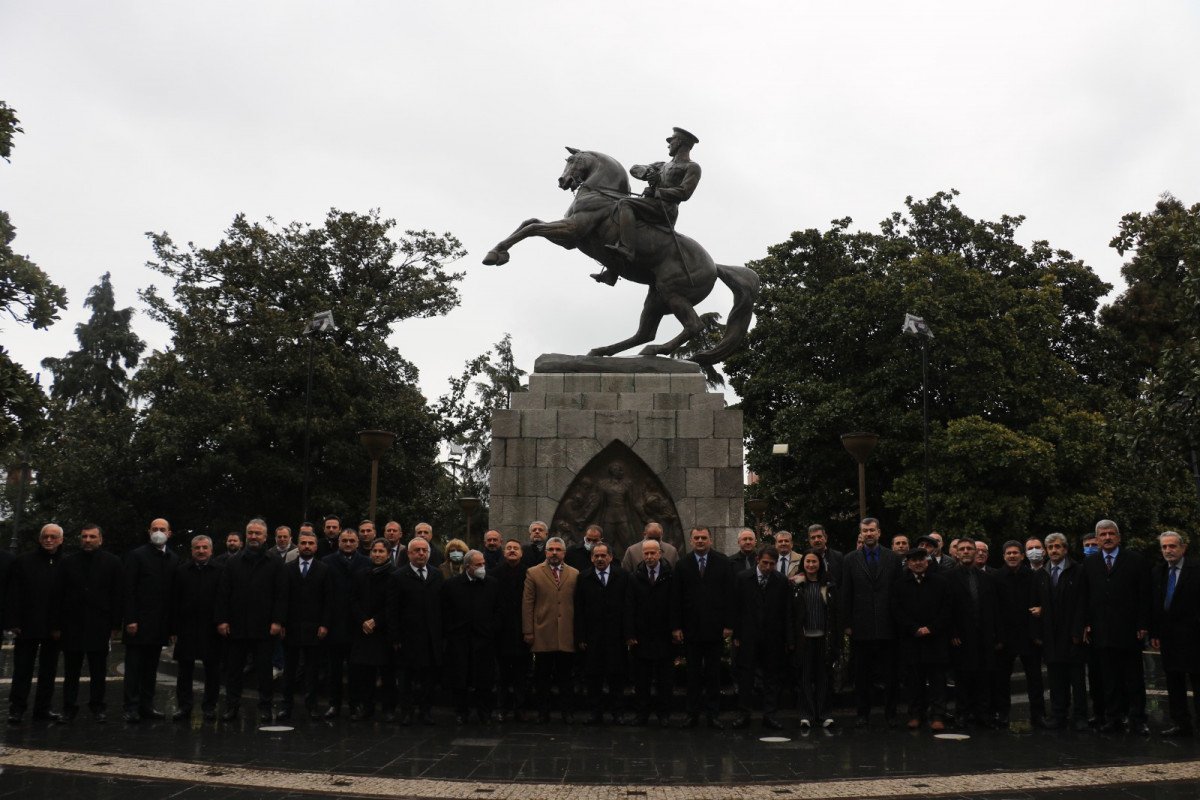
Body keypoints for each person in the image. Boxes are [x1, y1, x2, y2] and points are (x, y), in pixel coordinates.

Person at [601, 126, 702, 274]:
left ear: (679, 142)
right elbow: (634, 168)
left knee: (625, 203)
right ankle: (613, 272)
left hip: (666, 208)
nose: (668, 144)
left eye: (671, 141)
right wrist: (648, 173)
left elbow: (685, 192)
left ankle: (627, 249)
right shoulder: (662, 165)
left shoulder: (692, 167)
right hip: (651, 204)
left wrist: (657, 192)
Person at [1082, 519, 1151, 734]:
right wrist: (1086, 623)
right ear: (1097, 539)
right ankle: (1113, 717)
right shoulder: (1090, 563)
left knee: (1133, 677)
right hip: (1102, 630)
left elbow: (1144, 594)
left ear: (1119, 537)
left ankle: (1138, 719)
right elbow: (1085, 596)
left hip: (1129, 630)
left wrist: (1143, 623)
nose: (1107, 537)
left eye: (1111, 533)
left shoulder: (1135, 560)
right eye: (1103, 534)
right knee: (1109, 678)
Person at [215, 518, 285, 723]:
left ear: (265, 536)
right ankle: (232, 706)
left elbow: (281, 594)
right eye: (250, 533)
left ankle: (265, 707)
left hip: (265, 627)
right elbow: (223, 593)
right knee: (234, 671)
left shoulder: (275, 562)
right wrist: (222, 620)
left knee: (264, 671)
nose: (253, 536)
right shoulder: (233, 562)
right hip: (237, 626)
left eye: (258, 533)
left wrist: (278, 621)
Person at [56, 523, 123, 723]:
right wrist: (57, 624)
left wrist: (115, 625)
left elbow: (117, 595)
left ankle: (97, 707)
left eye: (92, 536)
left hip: (99, 624)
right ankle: (69, 708)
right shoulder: (68, 562)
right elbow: (58, 594)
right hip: (72, 624)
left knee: (98, 670)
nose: (87, 540)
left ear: (100, 539)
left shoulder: (113, 562)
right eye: (84, 536)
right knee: (71, 671)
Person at [839, 517, 901, 727]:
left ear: (879, 532)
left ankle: (891, 714)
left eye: (872, 530)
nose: (868, 534)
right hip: (861, 626)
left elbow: (898, 593)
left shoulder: (892, 558)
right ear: (861, 533)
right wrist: (847, 623)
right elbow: (846, 593)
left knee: (890, 675)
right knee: (862, 675)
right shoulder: (850, 559)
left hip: (888, 625)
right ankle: (862, 714)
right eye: (865, 531)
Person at [672, 525, 734, 729]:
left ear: (710, 540)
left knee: (713, 674)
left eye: (703, 538)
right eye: (696, 538)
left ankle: (713, 714)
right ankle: (692, 714)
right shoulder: (682, 565)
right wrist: (676, 627)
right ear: (691, 540)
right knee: (693, 674)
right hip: (691, 630)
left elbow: (729, 595)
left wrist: (728, 624)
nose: (700, 541)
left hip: (715, 629)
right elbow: (677, 598)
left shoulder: (723, 562)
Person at [6, 523, 65, 724]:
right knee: (22, 669)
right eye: (45, 536)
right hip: (27, 624)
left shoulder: (66, 563)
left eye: (53, 536)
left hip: (53, 626)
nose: (49, 540)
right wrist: (13, 621)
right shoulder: (23, 561)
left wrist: (61, 625)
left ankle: (43, 708)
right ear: (40, 539)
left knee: (49, 670)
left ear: (61, 540)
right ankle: (16, 709)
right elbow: (14, 593)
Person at [122, 517, 179, 723]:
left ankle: (147, 705)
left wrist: (172, 627)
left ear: (169, 533)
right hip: (138, 622)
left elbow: (173, 595)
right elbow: (128, 589)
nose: (158, 532)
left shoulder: (173, 558)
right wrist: (130, 618)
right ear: (149, 531)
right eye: (155, 528)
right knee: (134, 668)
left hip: (159, 624)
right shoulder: (136, 555)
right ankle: (131, 707)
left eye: (162, 529)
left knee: (150, 668)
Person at [730, 546, 790, 730]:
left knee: (771, 677)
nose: (768, 567)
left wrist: (787, 638)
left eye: (772, 564)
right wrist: (736, 634)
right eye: (765, 563)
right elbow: (736, 608)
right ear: (758, 560)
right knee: (746, 676)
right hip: (748, 635)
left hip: (772, 636)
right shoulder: (743, 578)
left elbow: (786, 611)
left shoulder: (780, 580)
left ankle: (769, 714)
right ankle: (744, 714)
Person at [892, 549, 952, 731]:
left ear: (927, 561)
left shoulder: (941, 582)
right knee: (913, 680)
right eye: (914, 560)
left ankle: (938, 715)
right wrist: (913, 628)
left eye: (921, 559)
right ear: (908, 563)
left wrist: (931, 628)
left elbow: (947, 609)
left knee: (937, 680)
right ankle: (915, 714)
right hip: (911, 639)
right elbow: (896, 610)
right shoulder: (899, 584)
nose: (918, 563)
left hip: (935, 639)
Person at [1033, 532, 1088, 730]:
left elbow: (1082, 603)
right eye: (1050, 547)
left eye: (1057, 546)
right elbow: (1039, 604)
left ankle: (1080, 716)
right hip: (1051, 635)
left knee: (1077, 679)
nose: (1054, 550)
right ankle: (1058, 714)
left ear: (1065, 549)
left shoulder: (1078, 571)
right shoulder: (1041, 574)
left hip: (1072, 634)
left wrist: (1078, 630)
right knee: (1055, 679)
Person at [522, 536, 579, 723]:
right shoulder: (533, 572)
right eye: (551, 550)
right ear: (546, 552)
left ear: (564, 553)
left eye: (558, 550)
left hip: (566, 633)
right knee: (542, 677)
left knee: (566, 677)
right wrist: (528, 631)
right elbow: (528, 603)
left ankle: (567, 712)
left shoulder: (575, 573)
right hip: (542, 632)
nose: (554, 553)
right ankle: (543, 712)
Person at [278, 530, 332, 721]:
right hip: (291, 627)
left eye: (310, 543)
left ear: (316, 547)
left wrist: (324, 624)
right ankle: (286, 706)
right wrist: (281, 622)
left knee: (312, 670)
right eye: (303, 543)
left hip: (314, 627)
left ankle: (312, 706)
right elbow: (282, 598)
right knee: (289, 670)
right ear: (298, 546)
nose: (307, 546)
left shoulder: (324, 569)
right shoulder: (287, 568)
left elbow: (328, 600)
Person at [441, 549, 500, 725]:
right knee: (460, 677)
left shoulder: (492, 584)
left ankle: (484, 712)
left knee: (484, 678)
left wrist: (491, 630)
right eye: (478, 565)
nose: (482, 567)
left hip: (484, 639)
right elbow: (445, 611)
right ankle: (461, 711)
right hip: (460, 639)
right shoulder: (451, 585)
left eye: (483, 564)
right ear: (468, 567)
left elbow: (498, 610)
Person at [389, 536, 444, 725]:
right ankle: (407, 712)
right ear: (409, 553)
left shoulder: (436, 574)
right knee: (406, 678)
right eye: (417, 550)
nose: (421, 554)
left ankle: (425, 711)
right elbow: (392, 609)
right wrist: (395, 637)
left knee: (429, 678)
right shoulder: (398, 576)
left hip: (431, 638)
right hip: (408, 637)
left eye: (424, 550)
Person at [573, 542, 630, 725]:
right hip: (592, 637)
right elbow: (579, 609)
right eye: (596, 556)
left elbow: (628, 606)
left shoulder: (622, 576)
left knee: (616, 676)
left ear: (610, 557)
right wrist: (581, 636)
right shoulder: (584, 577)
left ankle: (617, 712)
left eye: (603, 555)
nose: (599, 559)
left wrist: (628, 634)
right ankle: (595, 712)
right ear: (591, 558)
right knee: (593, 676)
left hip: (616, 636)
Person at [947, 539, 1001, 728]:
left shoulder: (987, 578)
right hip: (960, 637)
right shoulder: (948, 578)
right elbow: (946, 608)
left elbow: (994, 608)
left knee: (984, 677)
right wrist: (952, 632)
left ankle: (982, 713)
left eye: (969, 548)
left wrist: (996, 634)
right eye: (962, 549)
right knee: (962, 677)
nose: (966, 551)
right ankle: (962, 713)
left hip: (984, 636)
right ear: (956, 553)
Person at [1150, 531, 1200, 737]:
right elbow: (1155, 605)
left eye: (1172, 546)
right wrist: (1155, 632)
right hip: (1169, 637)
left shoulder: (1196, 569)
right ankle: (1181, 724)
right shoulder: (1158, 572)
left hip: (1194, 636)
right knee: (1174, 681)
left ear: (1183, 548)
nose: (1168, 550)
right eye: (1164, 547)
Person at [171, 534, 224, 722]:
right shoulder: (181, 571)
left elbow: (224, 599)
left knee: (213, 670)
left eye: (204, 547)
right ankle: (184, 706)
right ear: (192, 550)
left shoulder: (221, 571)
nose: (201, 551)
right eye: (197, 548)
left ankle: (209, 707)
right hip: (187, 627)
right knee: (184, 670)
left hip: (212, 628)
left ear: (211, 550)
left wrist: (222, 621)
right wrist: (174, 628)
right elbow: (174, 600)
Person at [993, 540, 1046, 727]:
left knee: (1035, 678)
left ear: (1022, 556)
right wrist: (998, 637)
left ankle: (1038, 714)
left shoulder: (1033, 576)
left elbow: (1039, 603)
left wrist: (1037, 635)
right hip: (1005, 637)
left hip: (1028, 636)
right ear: (1003, 556)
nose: (1012, 556)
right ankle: (1002, 713)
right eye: (1008, 553)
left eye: (1015, 552)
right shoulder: (996, 577)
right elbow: (994, 610)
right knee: (1001, 679)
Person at [625, 538, 676, 726]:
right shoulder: (634, 577)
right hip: (642, 636)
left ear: (660, 553)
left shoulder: (670, 575)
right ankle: (642, 714)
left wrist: (675, 629)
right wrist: (630, 634)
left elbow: (675, 605)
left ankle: (664, 715)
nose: (649, 556)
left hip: (664, 635)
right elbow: (629, 606)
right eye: (646, 553)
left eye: (652, 553)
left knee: (665, 679)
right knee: (642, 679)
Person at [321, 527, 368, 718]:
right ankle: (334, 704)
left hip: (357, 624)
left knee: (356, 669)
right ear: (339, 542)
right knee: (334, 669)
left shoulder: (366, 562)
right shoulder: (327, 562)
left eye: (352, 541)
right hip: (335, 623)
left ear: (357, 543)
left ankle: (355, 704)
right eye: (344, 541)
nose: (348, 544)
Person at [790, 549, 839, 730]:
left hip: (824, 639)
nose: (811, 565)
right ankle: (806, 715)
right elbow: (791, 614)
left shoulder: (829, 584)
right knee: (804, 678)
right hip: (804, 639)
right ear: (803, 564)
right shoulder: (795, 585)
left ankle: (825, 714)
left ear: (820, 564)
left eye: (814, 561)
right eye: (808, 562)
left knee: (823, 678)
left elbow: (835, 613)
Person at [349, 540, 396, 721]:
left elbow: (393, 605)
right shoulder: (361, 574)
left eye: (381, 551)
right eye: (374, 551)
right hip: (364, 631)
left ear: (388, 554)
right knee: (365, 673)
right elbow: (353, 600)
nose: (377, 554)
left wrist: (376, 621)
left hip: (384, 631)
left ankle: (388, 709)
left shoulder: (394, 575)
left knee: (387, 672)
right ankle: (366, 707)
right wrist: (363, 620)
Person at [493, 538, 531, 722]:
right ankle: (502, 708)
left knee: (521, 674)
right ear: (504, 552)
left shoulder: (529, 573)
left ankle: (520, 708)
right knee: (502, 675)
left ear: (521, 553)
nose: (512, 550)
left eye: (516, 548)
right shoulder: (494, 574)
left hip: (522, 630)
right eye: (508, 548)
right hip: (501, 632)